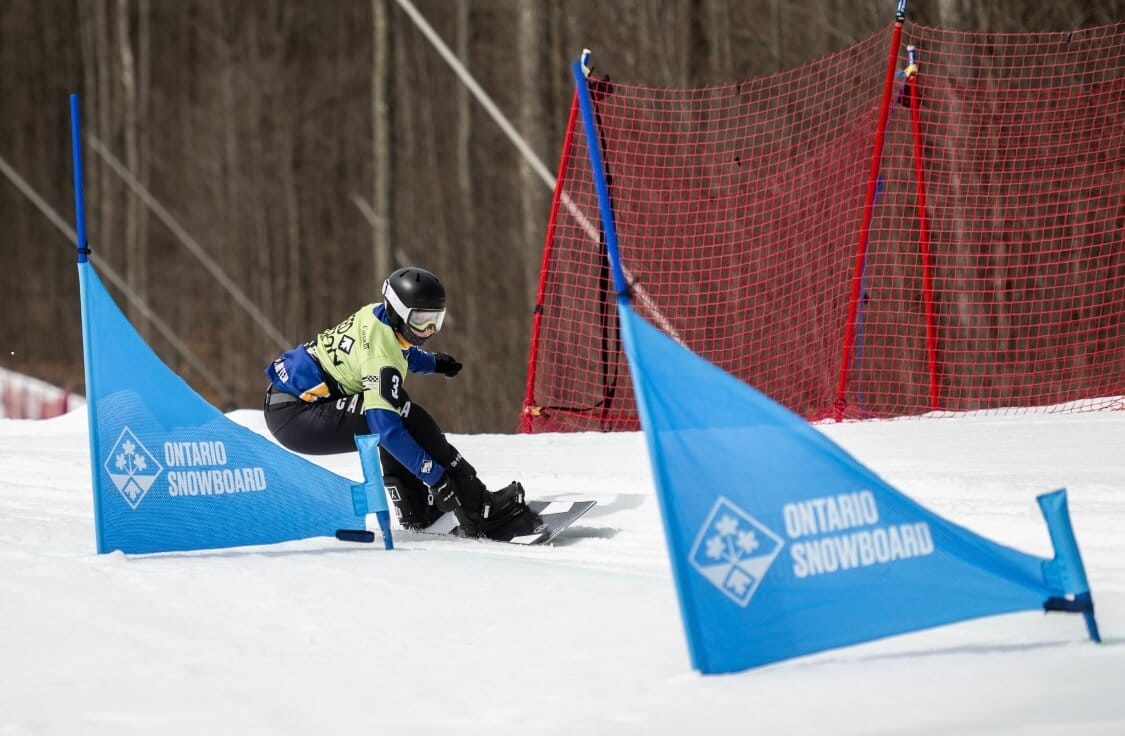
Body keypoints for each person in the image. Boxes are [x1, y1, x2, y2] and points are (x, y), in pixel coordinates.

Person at [262, 266, 529, 539]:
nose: (428, 331)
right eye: (421, 320)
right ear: (398, 312)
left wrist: (434, 363)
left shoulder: (378, 317)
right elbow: (386, 430)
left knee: (398, 407)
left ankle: (415, 509)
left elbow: (401, 351)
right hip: (295, 416)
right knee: (404, 419)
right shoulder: (380, 359)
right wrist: (435, 477)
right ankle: (477, 509)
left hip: (292, 402)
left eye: (435, 320)